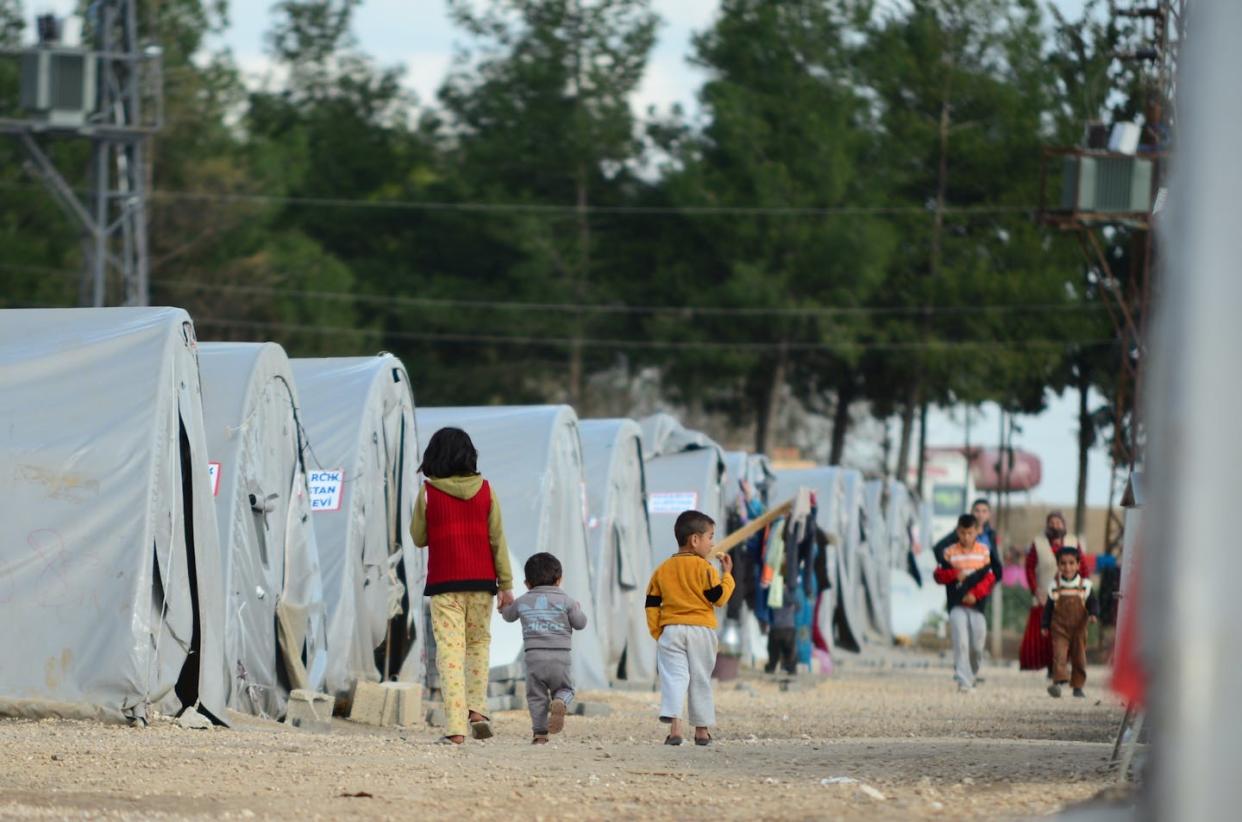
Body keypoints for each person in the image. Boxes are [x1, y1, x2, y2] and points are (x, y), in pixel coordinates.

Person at [411, 427, 515, 745]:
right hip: (482, 583)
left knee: (450, 652)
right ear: (470, 456)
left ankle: (456, 727)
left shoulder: (428, 492)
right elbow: (498, 539)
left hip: (445, 585)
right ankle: (478, 710)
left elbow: (418, 538)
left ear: (434, 457)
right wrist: (506, 585)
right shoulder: (486, 490)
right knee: (478, 645)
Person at [645, 510, 734, 746]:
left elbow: (652, 603)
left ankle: (675, 730)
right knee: (700, 678)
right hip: (701, 631)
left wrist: (658, 631)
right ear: (695, 540)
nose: (713, 543)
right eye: (710, 537)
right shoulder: (705, 569)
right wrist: (728, 576)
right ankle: (702, 731)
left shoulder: (662, 569)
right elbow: (719, 598)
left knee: (674, 677)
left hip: (671, 630)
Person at [500, 553, 587, 744]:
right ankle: (561, 702)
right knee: (566, 689)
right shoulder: (567, 601)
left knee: (536, 697)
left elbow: (508, 616)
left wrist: (503, 606)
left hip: (534, 658)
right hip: (560, 657)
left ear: (527, 583)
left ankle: (540, 734)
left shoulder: (523, 601)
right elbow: (580, 624)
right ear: (559, 579)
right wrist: (578, 610)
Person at [934, 514, 998, 693]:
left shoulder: (984, 552)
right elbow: (938, 575)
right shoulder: (949, 553)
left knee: (977, 645)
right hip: (956, 605)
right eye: (962, 533)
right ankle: (963, 681)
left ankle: (972, 673)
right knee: (960, 641)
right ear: (957, 532)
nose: (966, 537)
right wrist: (954, 574)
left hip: (977, 607)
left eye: (970, 533)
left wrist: (975, 594)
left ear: (977, 531)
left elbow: (989, 578)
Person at [1020, 511, 1085, 674]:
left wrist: (1081, 589)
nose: (1055, 526)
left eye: (1058, 522)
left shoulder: (1073, 541)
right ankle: (1051, 667)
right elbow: (1029, 568)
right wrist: (1036, 591)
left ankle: (1063, 666)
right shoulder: (1038, 543)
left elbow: (1083, 567)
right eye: (1052, 522)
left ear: (1064, 524)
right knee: (1045, 635)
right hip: (1044, 596)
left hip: (1069, 595)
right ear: (1047, 525)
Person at [1040, 547, 1100, 698]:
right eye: (1063, 563)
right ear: (1058, 565)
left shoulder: (1085, 584)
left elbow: (1093, 602)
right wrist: (1044, 625)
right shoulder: (1054, 586)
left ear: (1078, 565)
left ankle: (1078, 686)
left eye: (1071, 563)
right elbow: (1048, 608)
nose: (1067, 567)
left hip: (1079, 629)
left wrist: (1093, 614)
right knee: (1059, 655)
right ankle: (1059, 682)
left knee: (1079, 657)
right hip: (1059, 628)